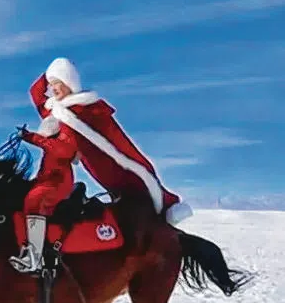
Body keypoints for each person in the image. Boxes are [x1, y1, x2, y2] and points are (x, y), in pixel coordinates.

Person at [27, 57, 193, 228]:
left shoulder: (88, 109)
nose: (53, 88)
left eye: (57, 83)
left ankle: (166, 208)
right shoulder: (57, 111)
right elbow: (36, 93)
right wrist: (51, 72)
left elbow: (117, 141)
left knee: (138, 185)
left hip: (111, 164)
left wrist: (34, 138)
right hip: (96, 168)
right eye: (51, 84)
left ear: (69, 83)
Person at [9, 115, 78, 274]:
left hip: (58, 185)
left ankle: (34, 258)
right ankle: (24, 247)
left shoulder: (62, 143)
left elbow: (54, 147)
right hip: (47, 183)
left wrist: (30, 136)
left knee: (34, 200)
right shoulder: (51, 146)